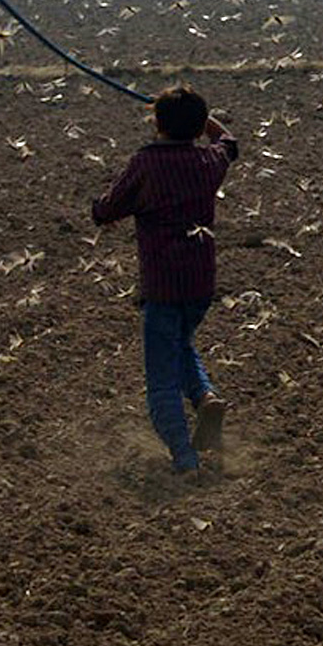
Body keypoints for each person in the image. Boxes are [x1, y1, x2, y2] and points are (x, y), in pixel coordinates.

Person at [91, 84, 239, 475]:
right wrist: (202, 119)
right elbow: (229, 141)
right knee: (182, 344)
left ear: (157, 123)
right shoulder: (208, 162)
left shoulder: (147, 163)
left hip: (162, 284)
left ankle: (184, 457)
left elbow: (107, 210)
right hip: (200, 282)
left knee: (161, 380)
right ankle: (205, 398)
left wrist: (98, 209)